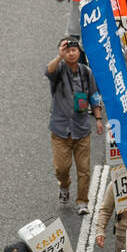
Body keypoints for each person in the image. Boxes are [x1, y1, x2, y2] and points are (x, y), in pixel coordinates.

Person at [45, 36, 104, 214]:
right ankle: (64, 186)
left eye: (74, 50)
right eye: (67, 50)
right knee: (61, 168)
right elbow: (49, 71)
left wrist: (99, 119)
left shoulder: (86, 72)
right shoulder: (59, 70)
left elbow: (94, 96)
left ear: (79, 52)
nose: (71, 53)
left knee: (84, 170)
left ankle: (82, 202)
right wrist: (59, 56)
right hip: (60, 130)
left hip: (81, 128)